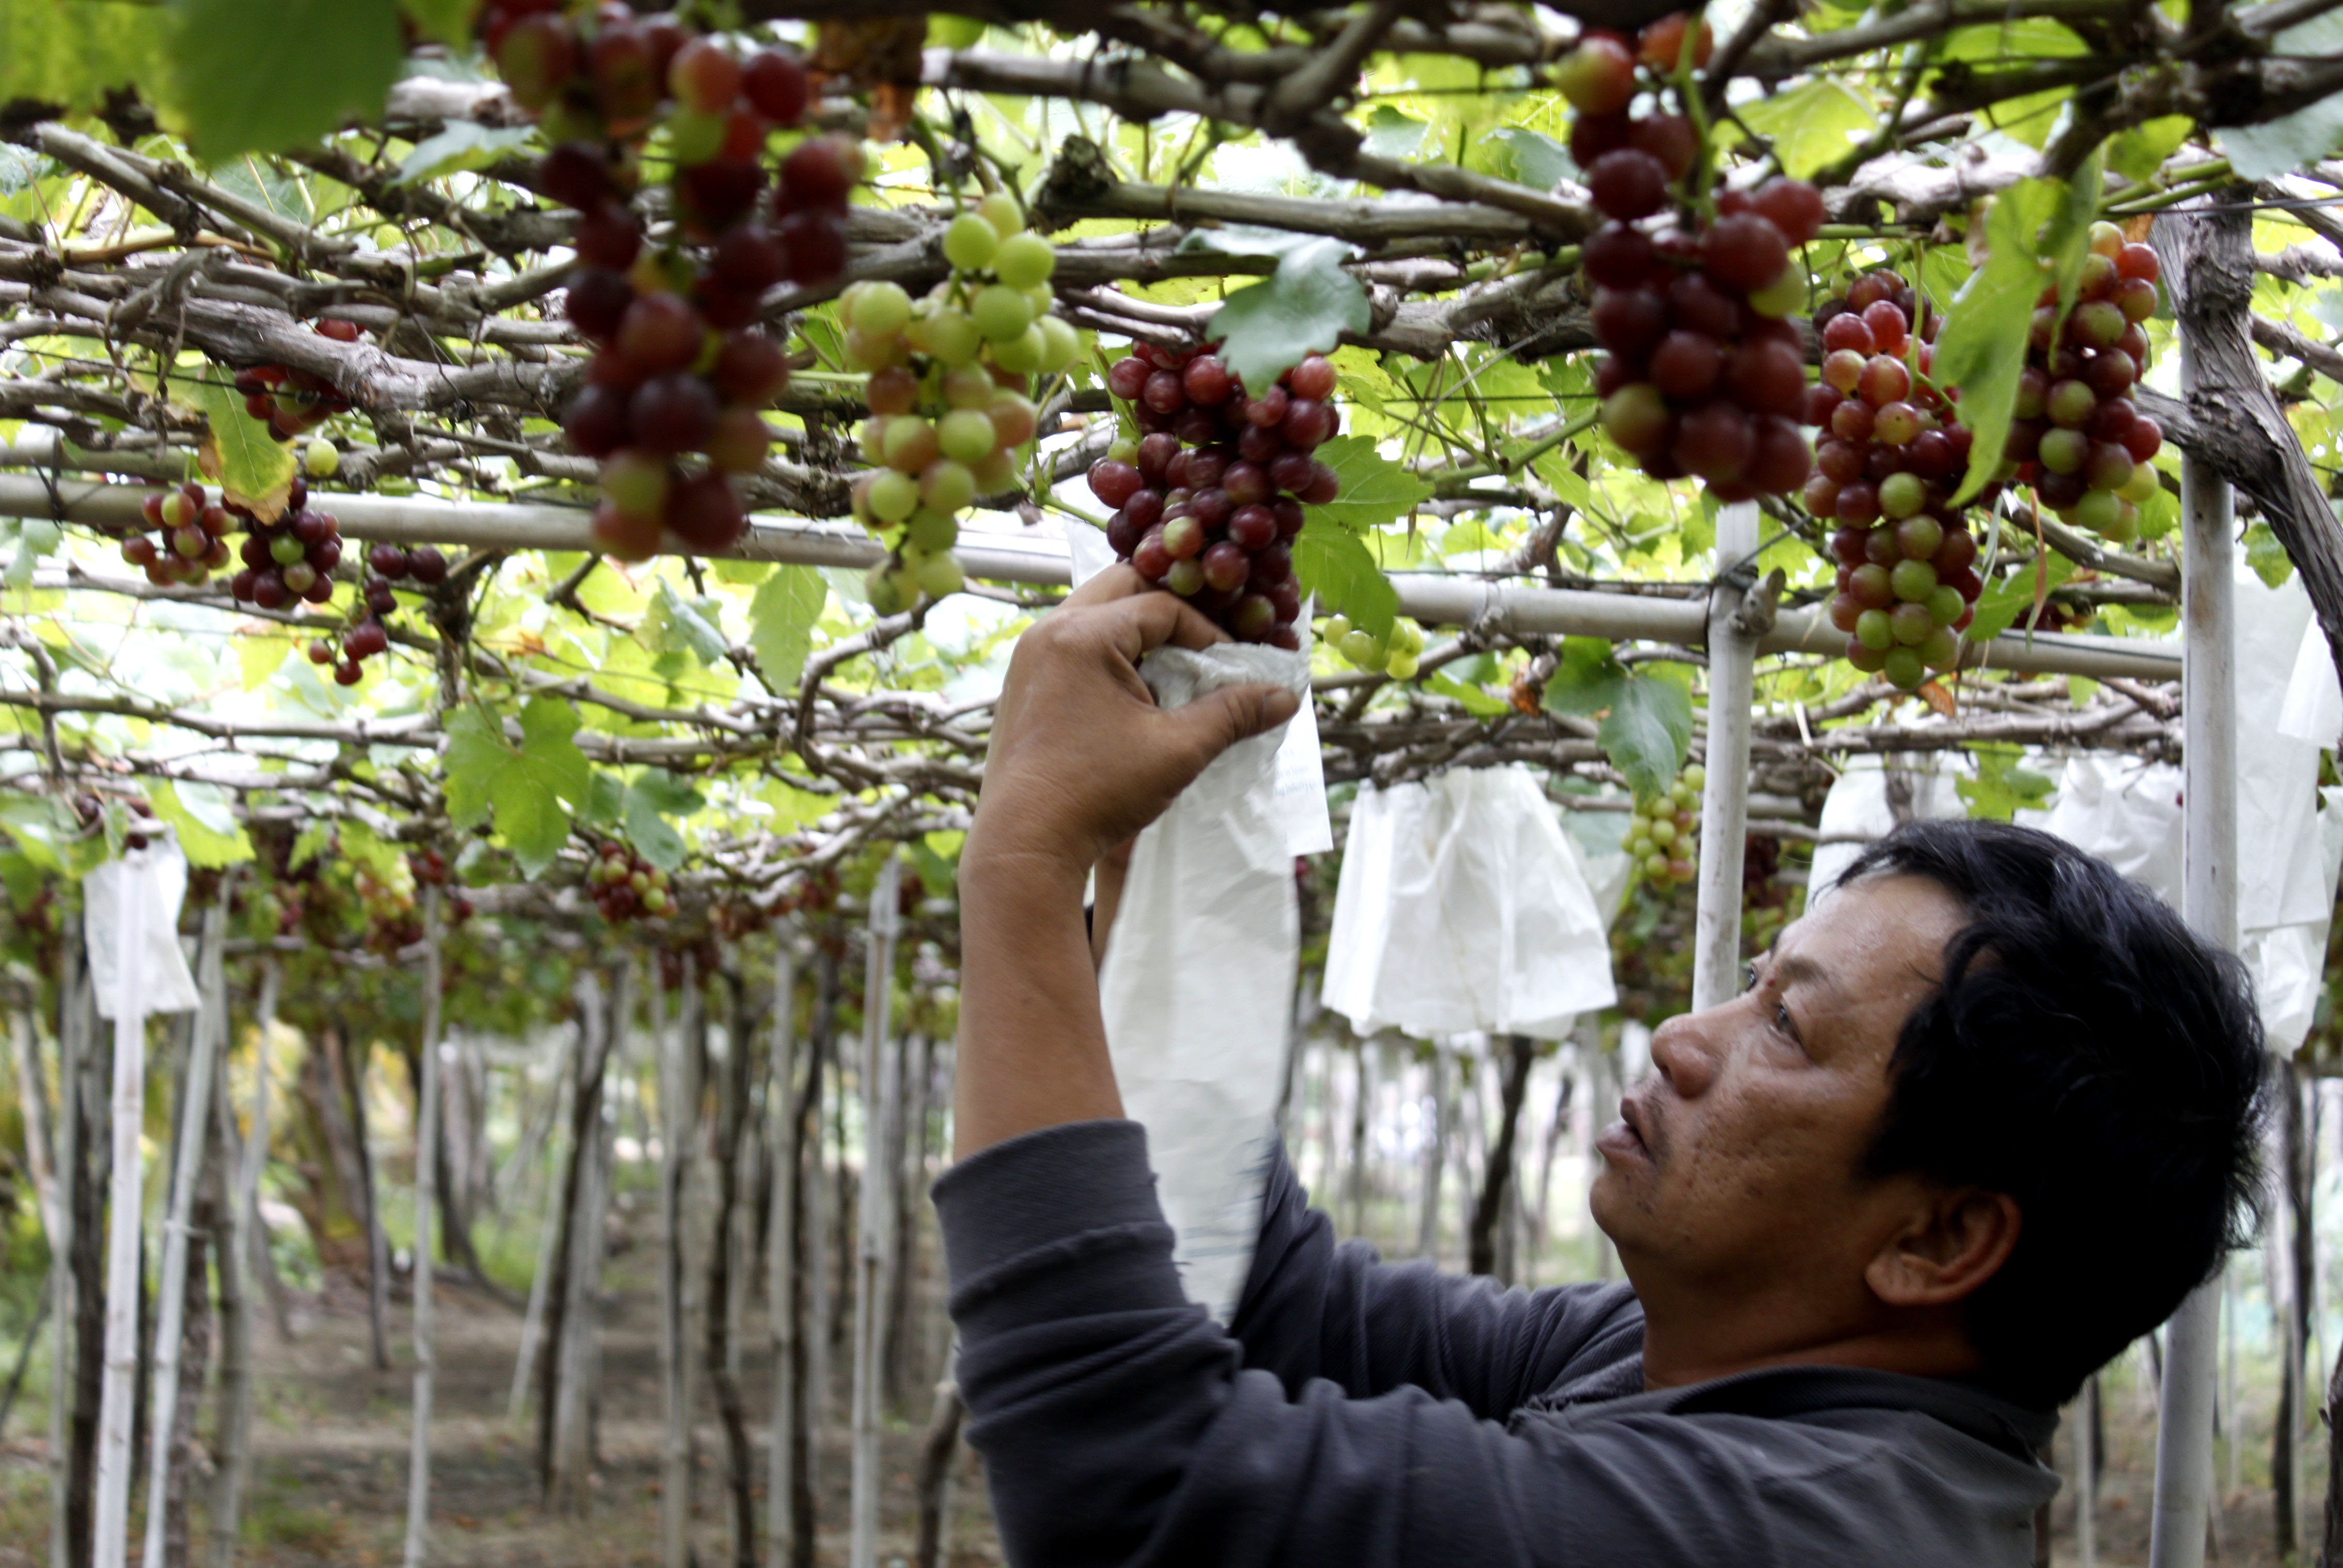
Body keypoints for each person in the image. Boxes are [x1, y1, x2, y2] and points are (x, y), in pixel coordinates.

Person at [941, 566, 2268, 1567]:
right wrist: (1153, 862)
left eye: (1785, 1031)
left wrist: (1021, 862)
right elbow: (1281, 1293)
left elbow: (1125, 1477)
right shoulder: (1712, 1366)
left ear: (1938, 1239)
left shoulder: (1786, 1532)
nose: (1684, 1039)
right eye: (1756, 989)